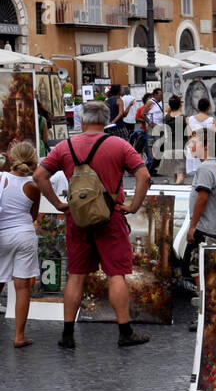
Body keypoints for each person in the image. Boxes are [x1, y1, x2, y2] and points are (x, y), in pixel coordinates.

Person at [32, 100, 152, 349]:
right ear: (106, 120)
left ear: (83, 120)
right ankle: (124, 331)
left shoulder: (65, 147)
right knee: (115, 274)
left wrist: (57, 203)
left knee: (75, 275)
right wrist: (134, 206)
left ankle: (67, 334)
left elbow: (39, 176)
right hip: (111, 217)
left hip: (77, 219)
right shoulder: (119, 145)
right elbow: (144, 175)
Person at [0, 142, 41, 348]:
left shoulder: (1, 178)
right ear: (34, 161)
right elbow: (33, 215)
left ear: (9, 158)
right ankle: (19, 336)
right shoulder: (34, 186)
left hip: (2, 234)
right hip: (24, 234)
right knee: (23, 286)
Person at [183, 132, 216, 278]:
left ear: (205, 146)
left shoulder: (204, 168)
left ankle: (201, 298)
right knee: (204, 272)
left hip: (206, 230)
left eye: (194, 142)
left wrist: (192, 226)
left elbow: (202, 198)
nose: (191, 146)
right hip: (215, 229)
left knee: (194, 271)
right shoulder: (212, 166)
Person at [157, 95, 189, 185]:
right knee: (181, 175)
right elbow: (190, 133)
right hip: (181, 148)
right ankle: (177, 186)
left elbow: (167, 111)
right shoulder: (185, 118)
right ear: (180, 105)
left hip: (169, 148)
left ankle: (174, 190)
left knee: (175, 173)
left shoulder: (166, 117)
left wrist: (173, 101)